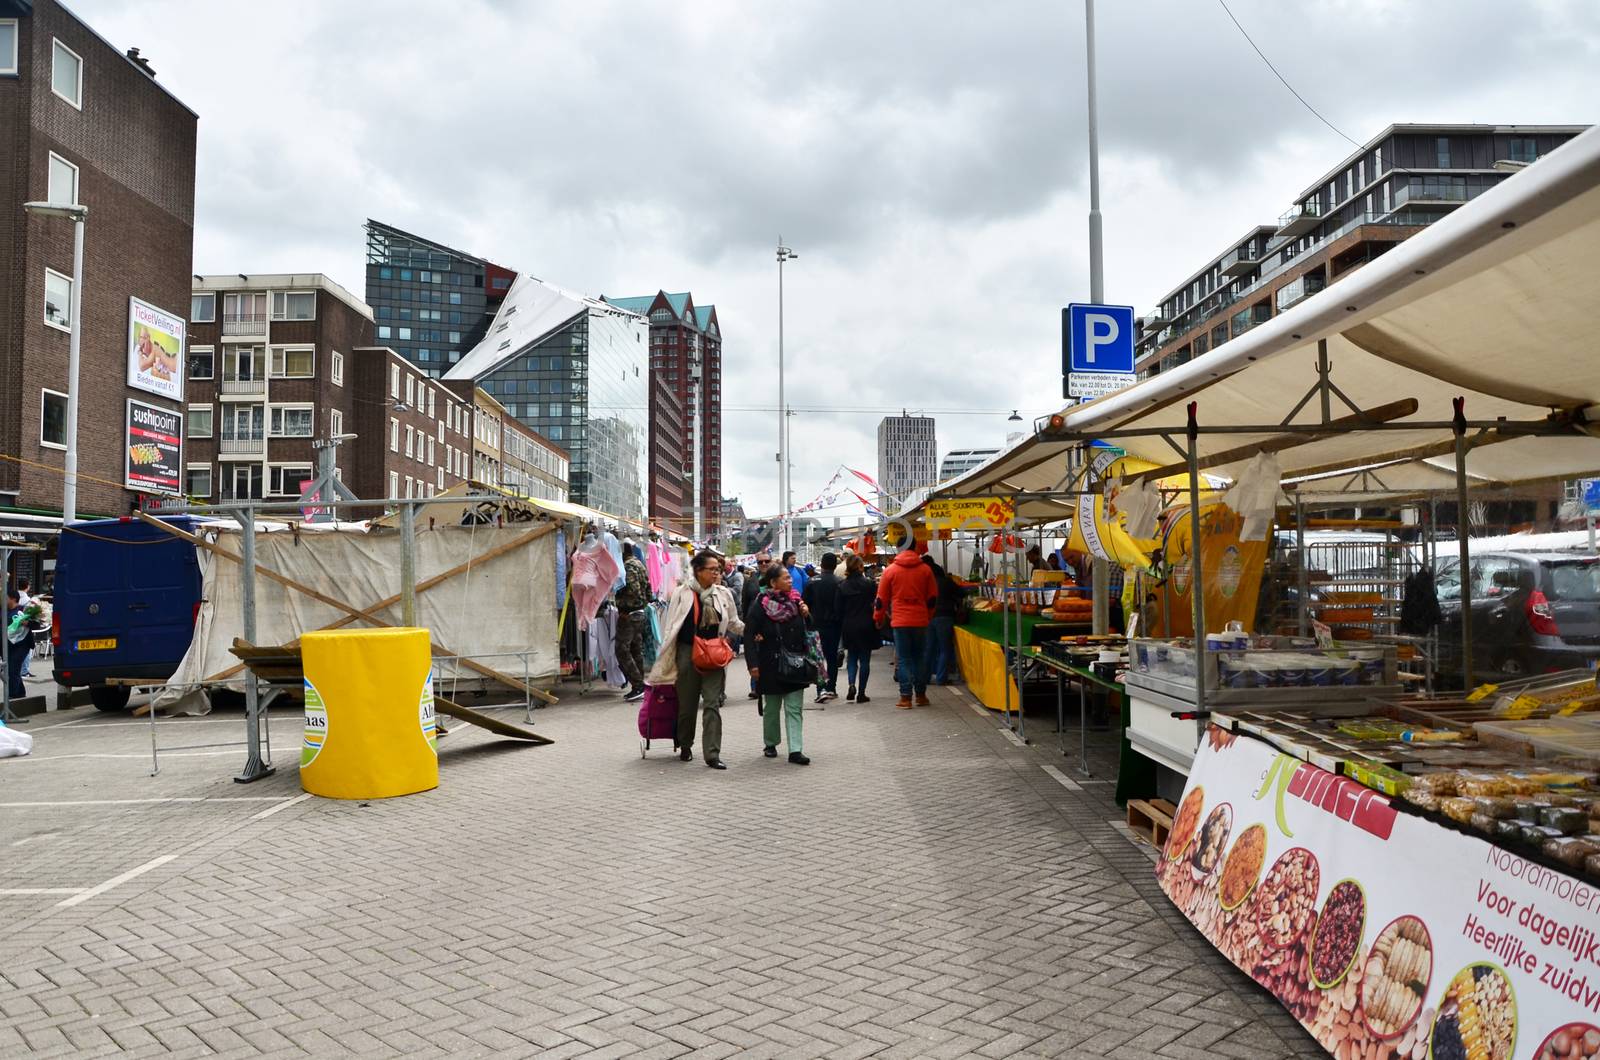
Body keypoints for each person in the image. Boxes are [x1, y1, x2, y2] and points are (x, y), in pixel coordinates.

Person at [647, 551, 742, 769]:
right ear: (698, 571)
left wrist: (754, 630)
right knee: (687, 705)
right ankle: (685, 745)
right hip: (687, 653)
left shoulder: (722, 594)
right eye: (712, 569)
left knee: (712, 705)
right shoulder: (682, 593)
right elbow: (671, 625)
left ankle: (712, 754)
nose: (717, 573)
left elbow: (734, 622)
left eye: (718, 569)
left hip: (713, 655)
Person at [746, 562, 813, 765]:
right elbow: (749, 635)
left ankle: (795, 750)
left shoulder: (796, 602)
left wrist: (806, 614)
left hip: (795, 663)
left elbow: (809, 628)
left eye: (790, 577)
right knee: (772, 708)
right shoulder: (760, 605)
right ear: (774, 582)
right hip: (771, 664)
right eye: (786, 578)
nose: (790, 580)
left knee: (794, 708)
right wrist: (753, 665)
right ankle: (771, 743)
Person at [875, 543, 938, 709]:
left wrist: (878, 617)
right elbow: (932, 598)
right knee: (919, 657)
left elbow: (881, 599)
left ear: (898, 548)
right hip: (920, 621)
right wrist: (928, 616)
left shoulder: (890, 570)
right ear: (915, 548)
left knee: (904, 659)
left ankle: (905, 698)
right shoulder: (925, 570)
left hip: (900, 621)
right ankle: (921, 695)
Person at [802, 552, 844, 703]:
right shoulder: (839, 582)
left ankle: (821, 689)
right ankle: (831, 687)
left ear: (821, 564)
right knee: (832, 658)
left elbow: (804, 604)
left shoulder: (812, 582)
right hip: (834, 625)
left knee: (818, 658)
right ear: (835, 565)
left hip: (815, 625)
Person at [837, 554, 878, 703]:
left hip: (848, 625)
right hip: (866, 624)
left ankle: (851, 684)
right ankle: (861, 692)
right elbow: (875, 603)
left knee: (852, 658)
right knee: (865, 660)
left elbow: (838, 609)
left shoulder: (842, 585)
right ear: (860, 567)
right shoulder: (870, 585)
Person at [614, 542, 651, 702]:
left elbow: (633, 590)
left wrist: (624, 608)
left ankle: (638, 685)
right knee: (636, 649)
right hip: (640, 612)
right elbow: (648, 588)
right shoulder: (639, 564)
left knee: (621, 649)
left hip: (629, 614)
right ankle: (640, 686)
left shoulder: (628, 566)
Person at [925, 557, 960, 686]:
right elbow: (961, 593)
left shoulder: (925, 583)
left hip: (929, 617)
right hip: (945, 617)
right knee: (944, 649)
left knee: (929, 648)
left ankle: (925, 677)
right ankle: (941, 678)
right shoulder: (947, 582)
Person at [741, 553, 769, 698]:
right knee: (755, 653)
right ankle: (755, 686)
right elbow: (744, 601)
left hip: (771, 621)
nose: (763, 564)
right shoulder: (751, 579)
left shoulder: (776, 578)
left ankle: (769, 683)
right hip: (754, 621)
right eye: (760, 562)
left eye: (766, 561)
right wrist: (745, 621)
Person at [6, 589, 36, 702]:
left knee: (13, 669)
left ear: (13, 598)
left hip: (22, 645)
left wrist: (27, 623)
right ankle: (20, 693)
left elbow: (37, 624)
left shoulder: (24, 610)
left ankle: (12, 695)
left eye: (6, 597)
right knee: (12, 669)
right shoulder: (3, 610)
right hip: (8, 646)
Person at [15, 578, 33, 677]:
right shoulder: (28, 600)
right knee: (26, 649)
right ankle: (24, 670)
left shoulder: (14, 597)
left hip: (12, 627)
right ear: (28, 586)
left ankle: (17, 669)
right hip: (24, 627)